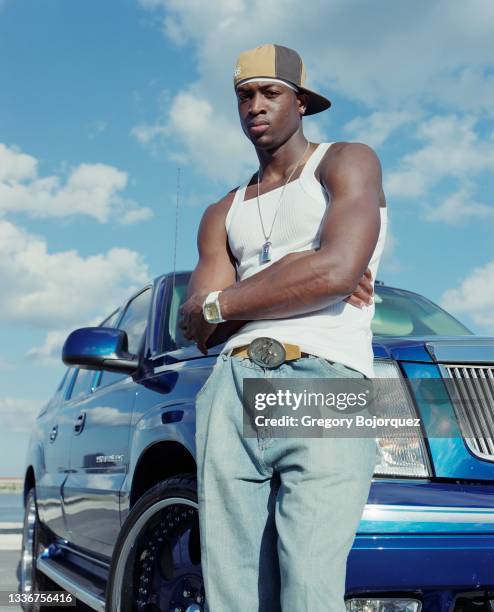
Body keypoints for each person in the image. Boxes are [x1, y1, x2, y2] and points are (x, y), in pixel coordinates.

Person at [179, 43, 388, 612]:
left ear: (300, 102)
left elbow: (337, 270)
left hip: (323, 378)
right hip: (233, 383)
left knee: (310, 589)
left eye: (271, 92)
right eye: (245, 95)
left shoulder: (346, 161)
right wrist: (297, 273)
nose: (256, 105)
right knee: (233, 591)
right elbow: (195, 321)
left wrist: (235, 298)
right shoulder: (224, 209)